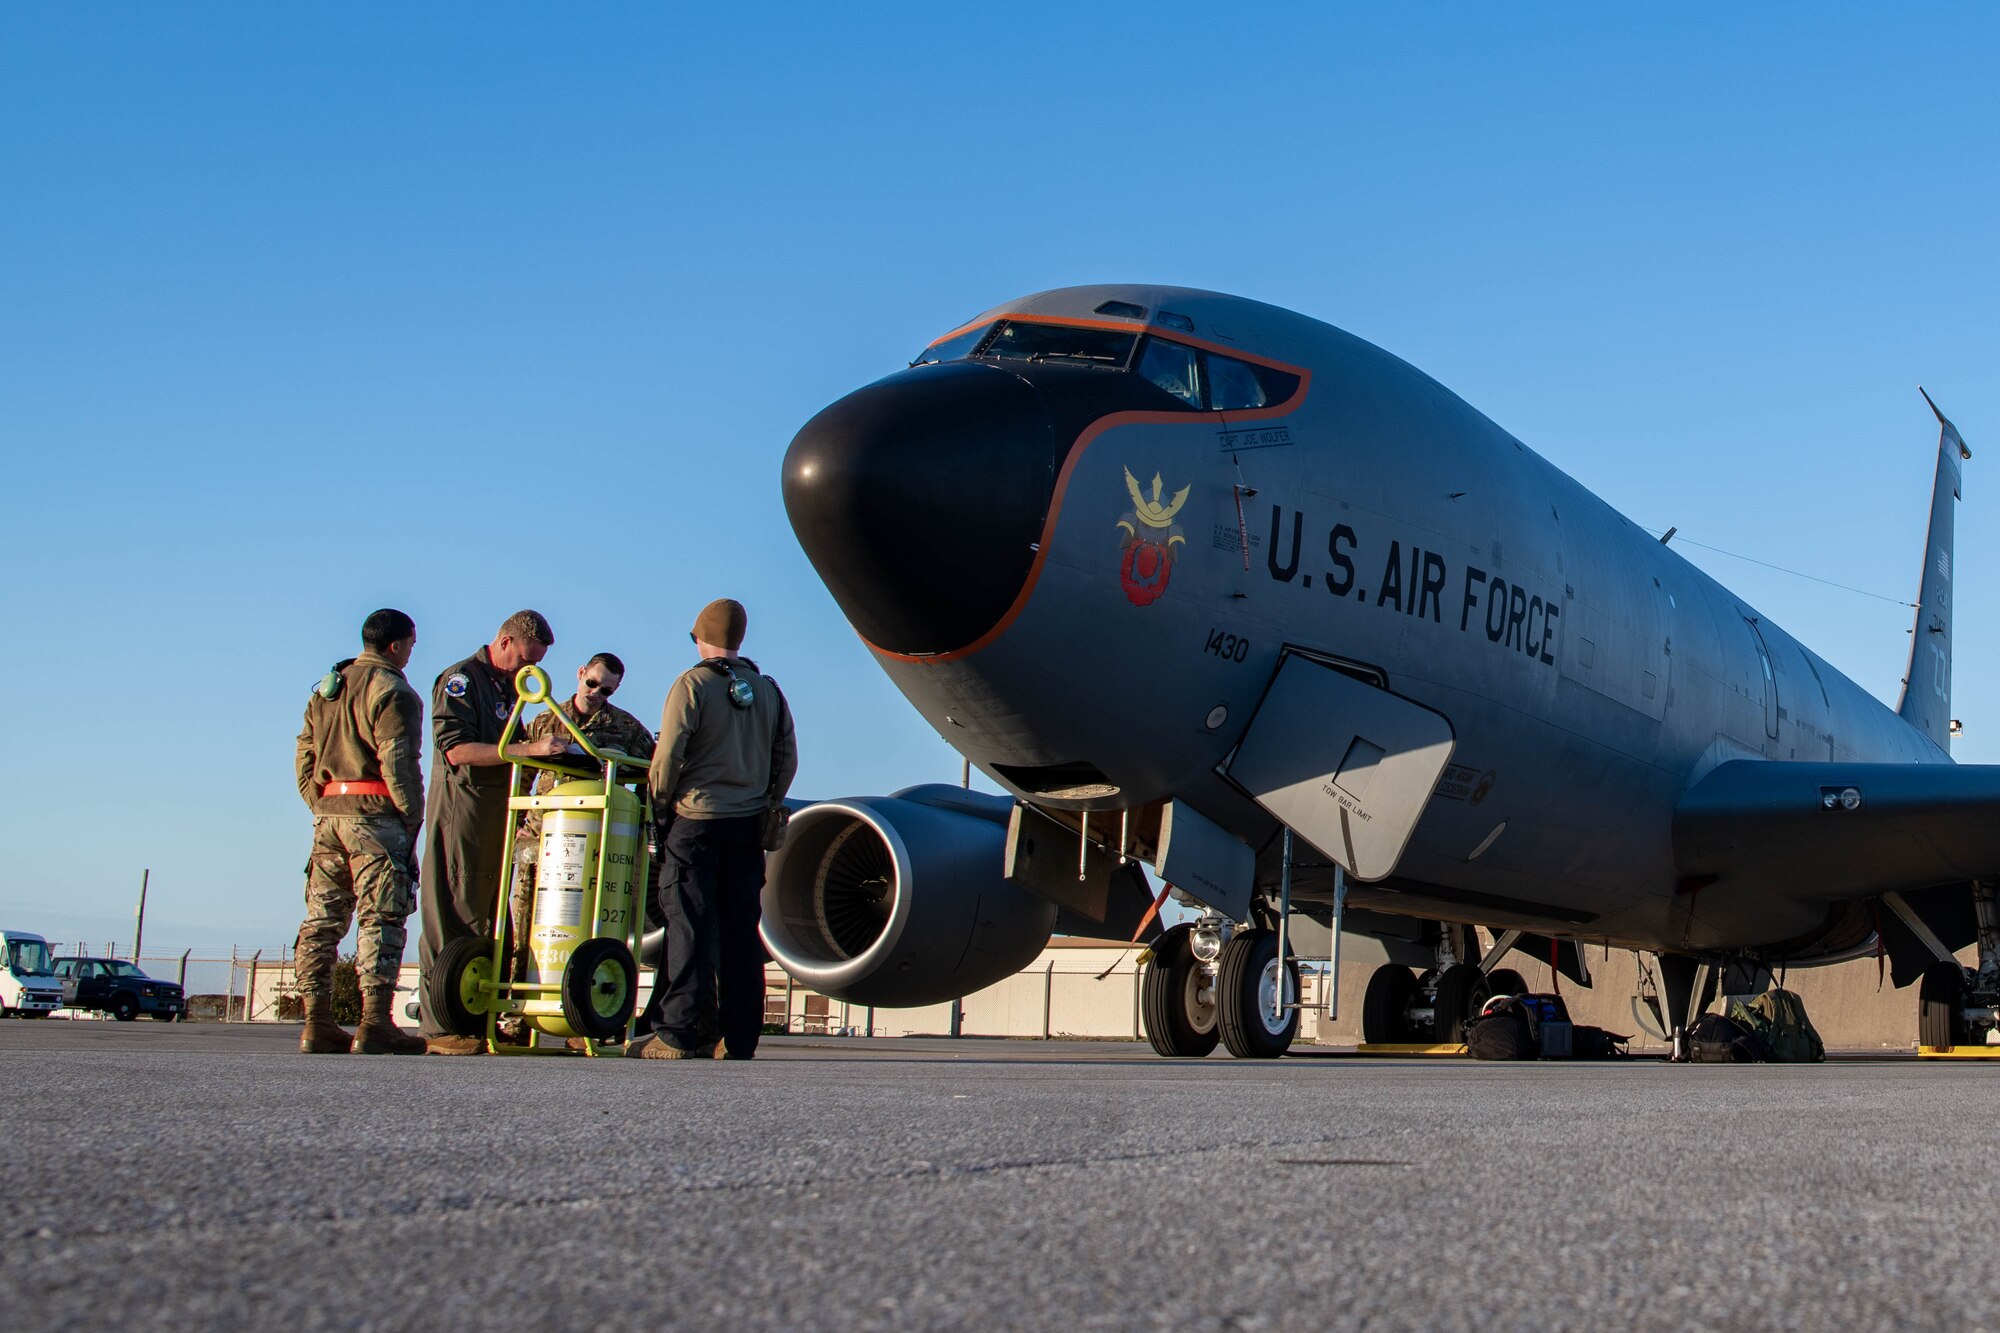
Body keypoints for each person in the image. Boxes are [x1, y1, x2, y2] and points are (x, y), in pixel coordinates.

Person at [631, 599, 796, 1061]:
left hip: (696, 823)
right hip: (747, 827)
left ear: (698, 638)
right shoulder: (767, 690)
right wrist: (766, 802)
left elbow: (668, 758)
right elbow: (787, 759)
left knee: (689, 929)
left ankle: (677, 1033)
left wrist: (661, 810)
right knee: (742, 934)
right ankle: (740, 1038)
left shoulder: (693, 685)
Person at [418, 609, 569, 1055]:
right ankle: (440, 1027)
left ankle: (475, 1021)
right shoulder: (460, 680)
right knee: (451, 916)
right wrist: (527, 749)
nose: (529, 670)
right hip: (462, 810)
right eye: (525, 659)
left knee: (485, 919)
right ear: (505, 642)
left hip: (497, 814)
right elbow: (457, 749)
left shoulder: (507, 686)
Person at [292, 608, 429, 1055]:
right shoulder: (393, 692)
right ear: (396, 646)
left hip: (329, 816)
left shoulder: (329, 688)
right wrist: (411, 817)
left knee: (322, 921)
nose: (411, 652)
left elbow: (304, 755)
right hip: (377, 818)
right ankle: (374, 1024)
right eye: (410, 644)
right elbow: (399, 764)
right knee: (381, 918)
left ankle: (317, 1022)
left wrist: (321, 803)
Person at [505, 653, 656, 996]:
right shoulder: (546, 720)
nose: (596, 694)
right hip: (539, 839)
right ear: (580, 673)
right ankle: (518, 1012)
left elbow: (651, 769)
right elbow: (524, 776)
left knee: (590, 926)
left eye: (606, 691)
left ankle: (584, 1012)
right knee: (527, 925)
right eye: (592, 683)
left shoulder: (626, 728)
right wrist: (516, 827)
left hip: (593, 845)